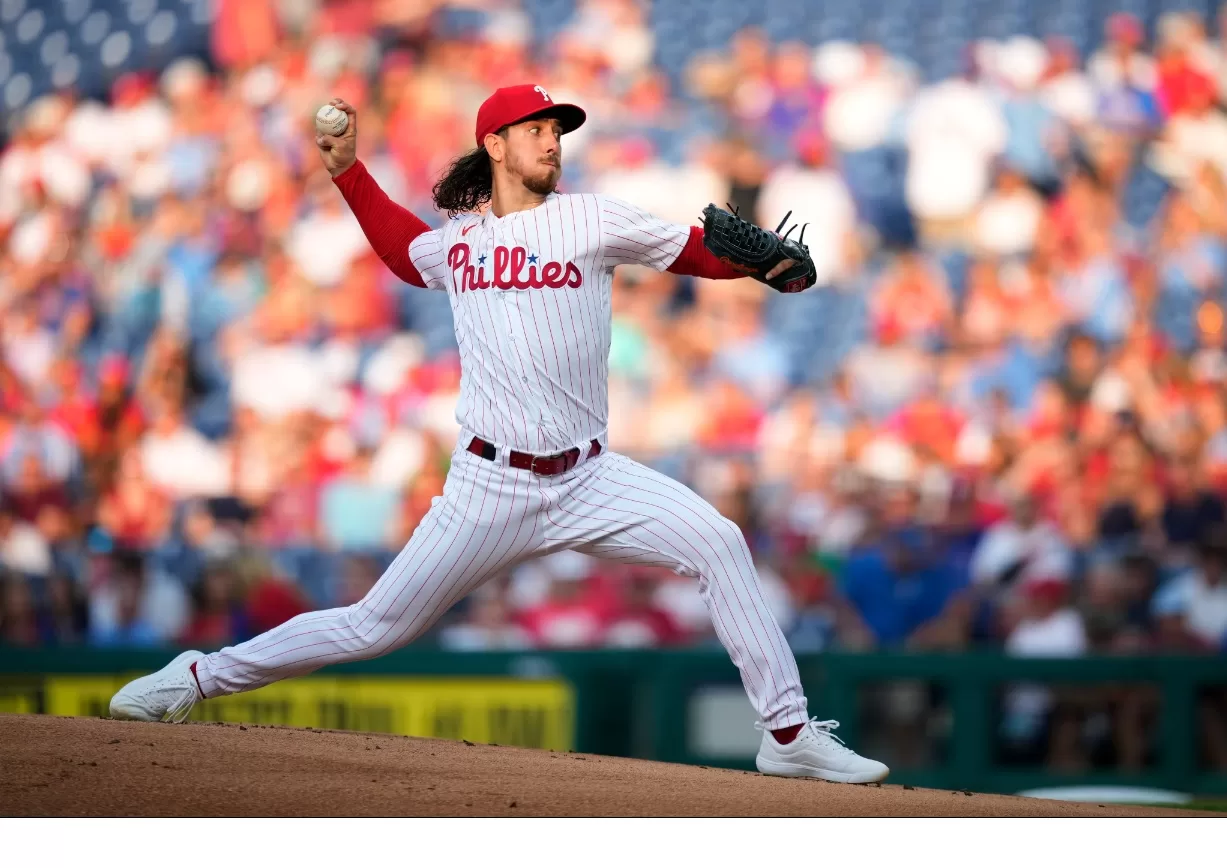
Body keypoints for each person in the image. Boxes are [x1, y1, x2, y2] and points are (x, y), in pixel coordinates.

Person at [108, 84, 888, 783]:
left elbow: (693, 250)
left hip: (589, 478)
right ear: (494, 144)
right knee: (375, 625)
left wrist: (757, 268)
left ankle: (786, 733)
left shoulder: (590, 218)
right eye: (537, 127)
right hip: (488, 486)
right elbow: (398, 250)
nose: (553, 140)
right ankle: (198, 678)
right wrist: (347, 171)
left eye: (558, 129)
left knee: (717, 541)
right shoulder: (457, 244)